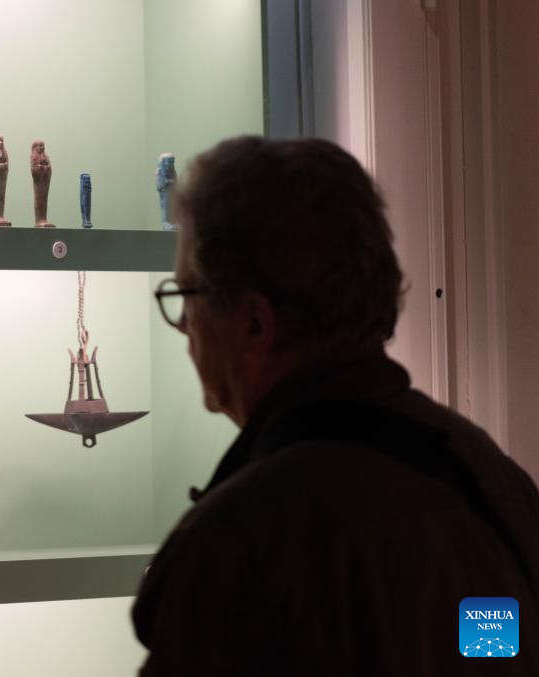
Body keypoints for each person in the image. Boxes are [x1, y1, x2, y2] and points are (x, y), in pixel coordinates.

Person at [135, 136, 539, 675]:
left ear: (254, 323)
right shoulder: (493, 479)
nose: (184, 328)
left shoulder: (238, 545)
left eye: (190, 297)